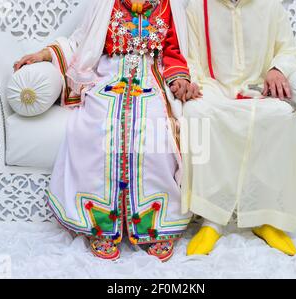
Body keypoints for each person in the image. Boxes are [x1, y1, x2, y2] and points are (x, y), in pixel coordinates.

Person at [14, 0, 197, 262]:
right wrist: (45, 55)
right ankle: (100, 225)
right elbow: (80, 42)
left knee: (155, 128)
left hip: (151, 77)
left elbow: (174, 51)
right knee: (96, 125)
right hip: (108, 77)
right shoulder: (104, 4)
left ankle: (156, 225)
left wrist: (179, 78)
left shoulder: (169, 5)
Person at [181, 0, 296, 256]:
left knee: (283, 115)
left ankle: (266, 218)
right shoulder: (197, 7)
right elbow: (190, 58)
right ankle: (211, 222)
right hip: (213, 88)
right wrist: (193, 82)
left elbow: (288, 49)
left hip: (256, 88)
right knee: (197, 112)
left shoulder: (270, 6)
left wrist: (276, 69)